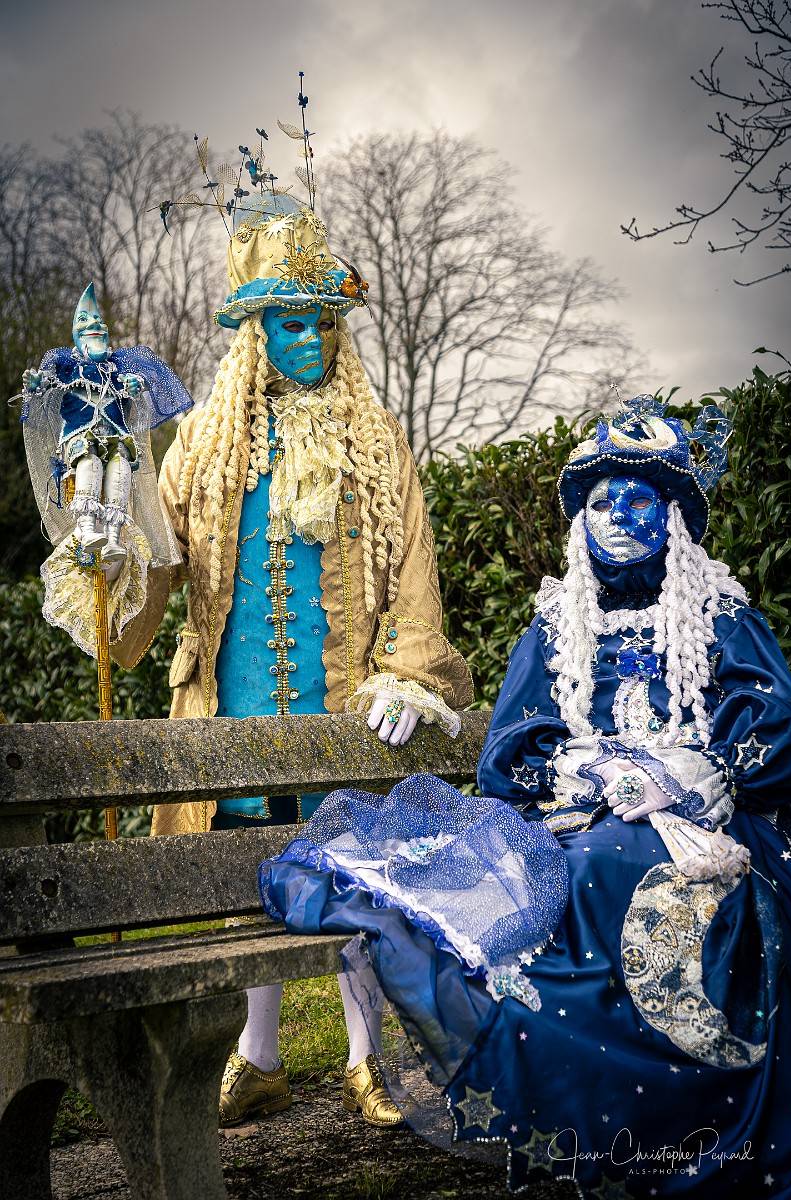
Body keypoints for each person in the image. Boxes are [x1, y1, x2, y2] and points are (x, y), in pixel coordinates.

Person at [262, 394, 791, 1197]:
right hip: (580, 817)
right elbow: (513, 751)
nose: (618, 516)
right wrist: (590, 770)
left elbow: (774, 731)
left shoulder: (721, 618)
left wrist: (690, 776)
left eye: (638, 498)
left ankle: (650, 1123)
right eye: (601, 502)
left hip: (706, 830)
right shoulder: (557, 627)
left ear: (673, 516)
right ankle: (589, 1113)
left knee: (623, 871)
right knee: (566, 869)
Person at [111, 178, 473, 1130]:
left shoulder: (377, 444)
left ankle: (365, 1060)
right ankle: (260, 1056)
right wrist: (112, 550)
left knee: (351, 881)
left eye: (323, 320)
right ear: (255, 331)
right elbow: (154, 575)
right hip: (236, 716)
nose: (311, 338)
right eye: (290, 322)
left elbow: (415, 579)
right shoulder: (202, 447)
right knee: (253, 878)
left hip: (342, 714)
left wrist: (408, 676)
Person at [18, 281, 192, 655]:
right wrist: (37, 383)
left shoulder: (116, 369)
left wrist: (133, 385)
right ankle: (86, 531)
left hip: (115, 436)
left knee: (121, 470)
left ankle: (112, 537)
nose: (95, 326)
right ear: (76, 334)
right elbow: (45, 386)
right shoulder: (68, 367)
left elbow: (135, 392)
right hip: (81, 439)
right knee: (91, 464)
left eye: (99, 322)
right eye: (86, 322)